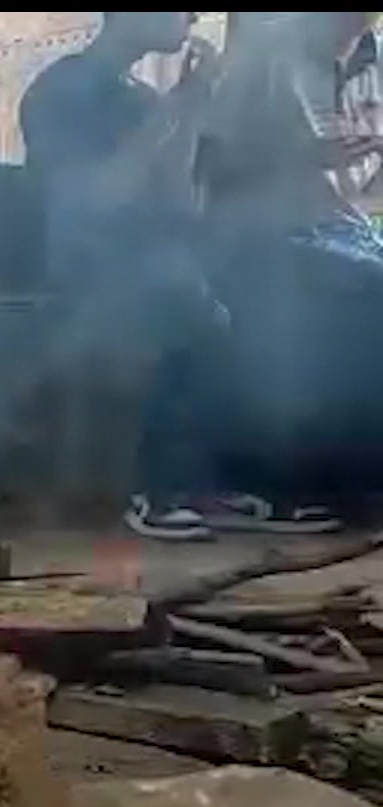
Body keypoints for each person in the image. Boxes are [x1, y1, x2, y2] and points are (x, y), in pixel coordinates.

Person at [19, 12, 338, 541]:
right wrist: (181, 103)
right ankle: (157, 491)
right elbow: (100, 197)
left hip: (157, 261)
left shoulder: (143, 97)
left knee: (270, 292)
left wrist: (194, 110)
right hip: (88, 272)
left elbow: (181, 202)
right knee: (173, 293)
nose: (192, 15)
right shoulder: (62, 89)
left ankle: (218, 486)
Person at [198, 13, 383, 517]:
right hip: (261, 232)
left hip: (349, 230)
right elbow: (209, 165)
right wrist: (298, 157)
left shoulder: (376, 57)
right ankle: (316, 484)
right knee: (365, 294)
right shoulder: (265, 55)